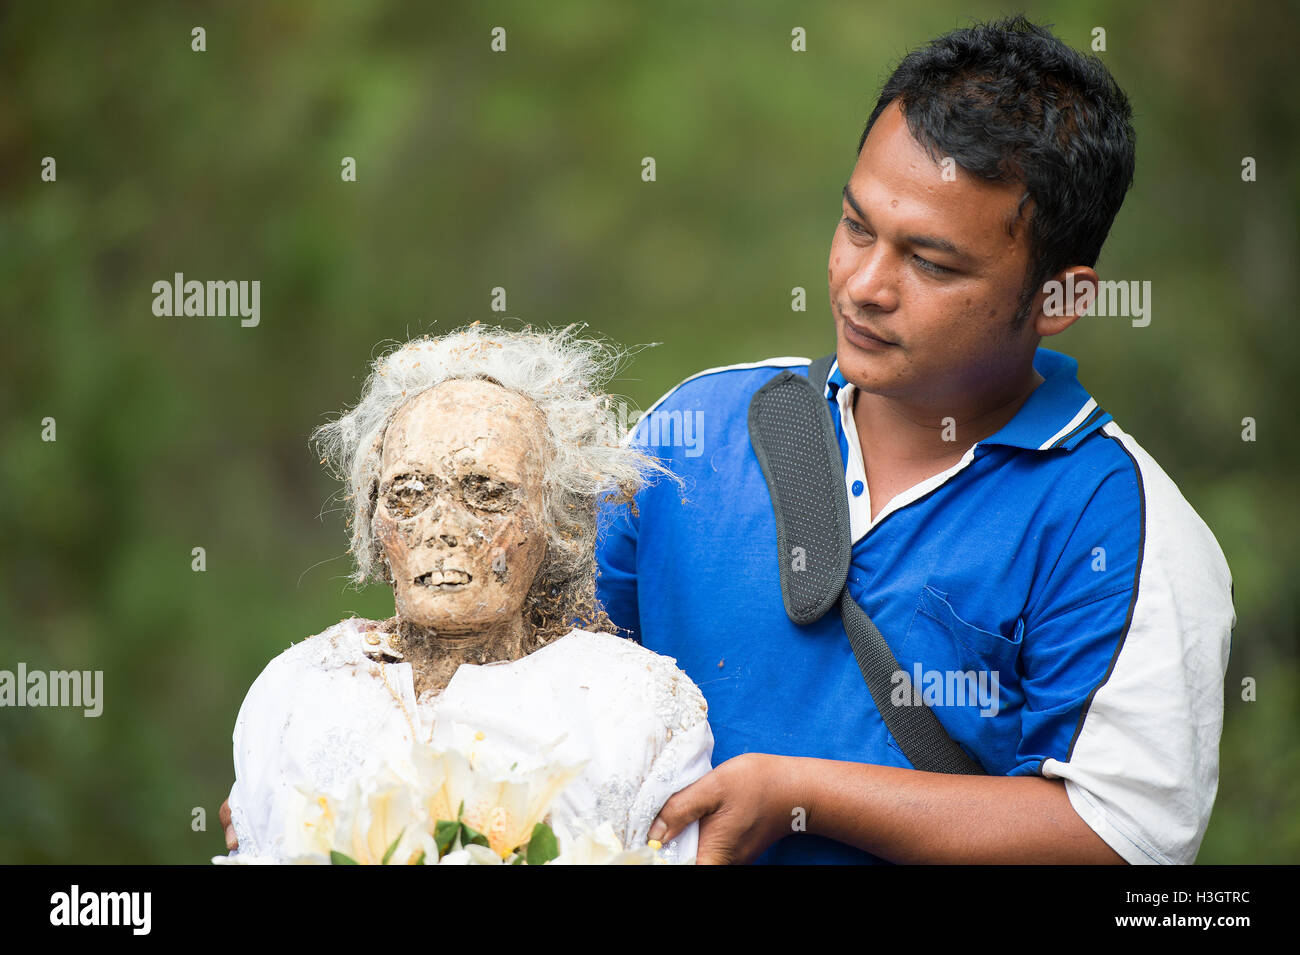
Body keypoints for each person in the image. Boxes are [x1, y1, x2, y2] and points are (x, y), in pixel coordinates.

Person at [597, 17, 1235, 864]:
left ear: (1058, 298)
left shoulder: (1118, 526)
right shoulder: (692, 435)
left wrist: (801, 796)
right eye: (858, 227)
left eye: (931, 263)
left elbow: (1126, 837)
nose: (864, 285)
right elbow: (548, 673)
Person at [217, 325, 712, 863]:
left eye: (485, 493)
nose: (442, 526)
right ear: (371, 519)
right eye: (407, 494)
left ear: (560, 522)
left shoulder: (635, 705)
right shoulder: (296, 693)